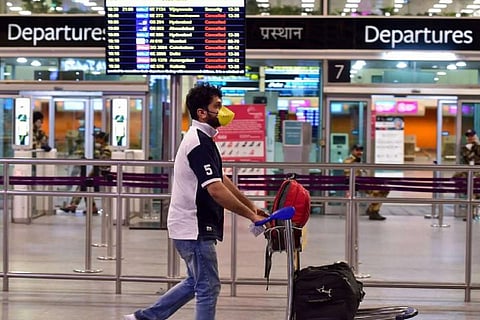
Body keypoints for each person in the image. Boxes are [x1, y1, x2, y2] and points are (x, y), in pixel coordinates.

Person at [123, 83, 267, 320]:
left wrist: (251, 206)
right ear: (202, 112)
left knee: (196, 282)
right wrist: (250, 216)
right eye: (217, 106)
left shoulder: (204, 139)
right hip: (193, 228)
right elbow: (216, 190)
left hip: (192, 227)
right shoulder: (198, 143)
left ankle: (144, 318)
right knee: (208, 287)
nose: (224, 111)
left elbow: (221, 178)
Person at [60, 131, 112, 214]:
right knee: (83, 185)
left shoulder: (106, 150)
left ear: (102, 139)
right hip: (99, 175)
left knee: (83, 185)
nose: (95, 140)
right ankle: (88, 206)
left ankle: (75, 205)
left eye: (97, 138)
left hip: (104, 177)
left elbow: (103, 165)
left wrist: (92, 174)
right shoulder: (102, 149)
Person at [344, 144, 388, 221]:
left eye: (360, 150)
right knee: (376, 191)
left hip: (363, 182)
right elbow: (349, 171)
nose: (359, 152)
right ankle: (373, 211)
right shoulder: (349, 160)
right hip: (355, 183)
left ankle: (373, 210)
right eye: (357, 150)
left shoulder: (359, 160)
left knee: (384, 189)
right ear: (352, 151)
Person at [452, 129, 480, 220]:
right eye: (468, 136)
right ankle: (471, 213)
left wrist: (476, 146)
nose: (470, 138)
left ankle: (472, 213)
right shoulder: (464, 147)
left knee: (473, 191)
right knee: (471, 191)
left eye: (472, 136)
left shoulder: (477, 146)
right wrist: (472, 149)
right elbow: (469, 158)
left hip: (477, 172)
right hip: (471, 173)